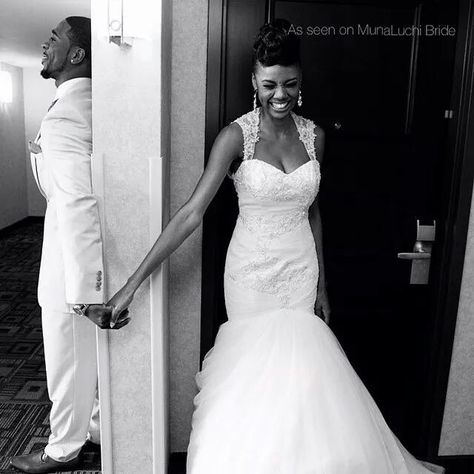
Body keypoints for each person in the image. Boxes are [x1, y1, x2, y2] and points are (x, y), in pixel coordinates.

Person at [108, 19, 444, 474]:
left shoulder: (314, 137)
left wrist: (323, 283)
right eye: (269, 85)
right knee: (254, 381)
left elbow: (312, 209)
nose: (280, 95)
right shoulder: (236, 137)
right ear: (254, 81)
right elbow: (191, 213)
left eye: (289, 84)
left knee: (302, 387)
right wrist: (131, 285)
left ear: (301, 80)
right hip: (251, 276)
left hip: (300, 273)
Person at [10, 17, 128, 474]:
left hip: (70, 269)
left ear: (76, 55)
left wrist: (83, 294)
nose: (45, 43)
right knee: (89, 363)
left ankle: (62, 450)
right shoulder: (89, 105)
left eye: (55, 38)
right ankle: (96, 430)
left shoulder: (66, 116)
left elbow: (79, 202)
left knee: (67, 361)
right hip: (85, 255)